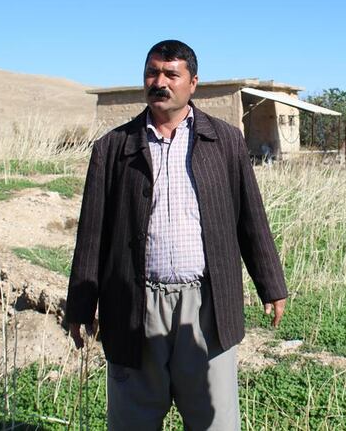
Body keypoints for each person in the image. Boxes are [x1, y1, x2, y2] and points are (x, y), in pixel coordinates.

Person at [65, 39, 288, 430]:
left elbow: (250, 217)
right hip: (135, 306)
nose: (160, 82)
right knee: (133, 421)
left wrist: (271, 284)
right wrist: (81, 306)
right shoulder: (113, 147)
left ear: (193, 83)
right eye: (153, 72)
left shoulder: (224, 141)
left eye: (171, 74)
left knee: (214, 422)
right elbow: (92, 234)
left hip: (206, 306)